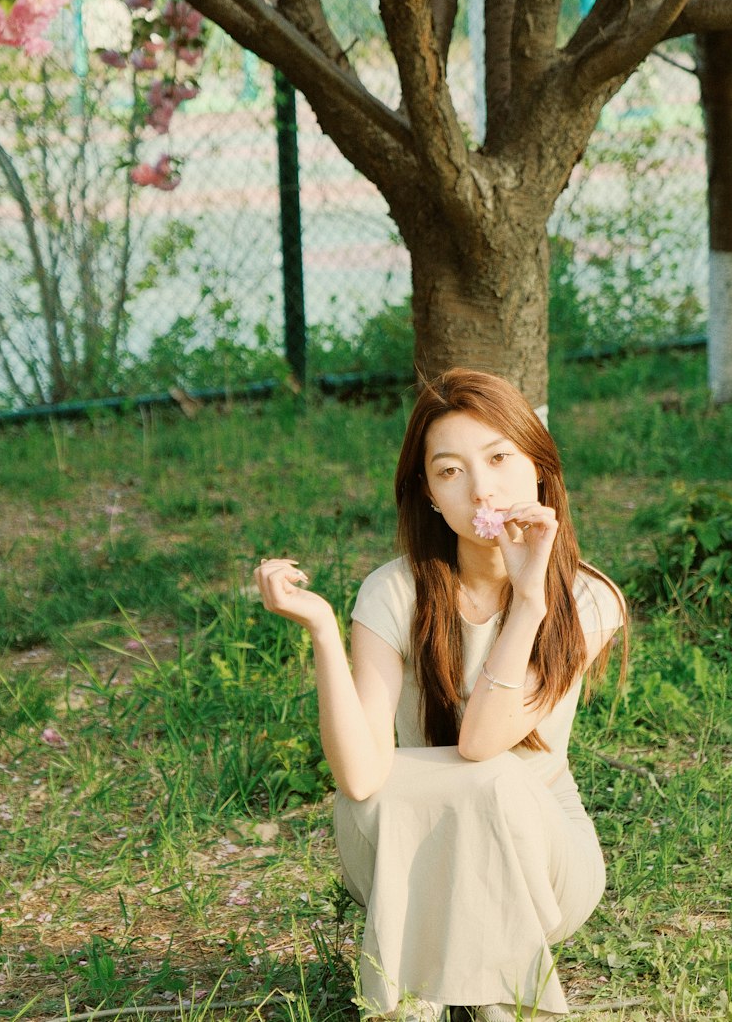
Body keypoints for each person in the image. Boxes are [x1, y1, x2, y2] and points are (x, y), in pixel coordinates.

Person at [255, 368, 627, 1021]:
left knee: (494, 781)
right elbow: (361, 774)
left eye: (499, 458)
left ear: (539, 468)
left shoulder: (588, 599)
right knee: (369, 796)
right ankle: (462, 987)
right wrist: (321, 627)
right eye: (450, 471)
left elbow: (482, 742)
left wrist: (532, 597)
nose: (482, 488)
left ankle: (463, 992)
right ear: (428, 493)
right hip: (413, 844)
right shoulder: (394, 590)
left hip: (539, 852)